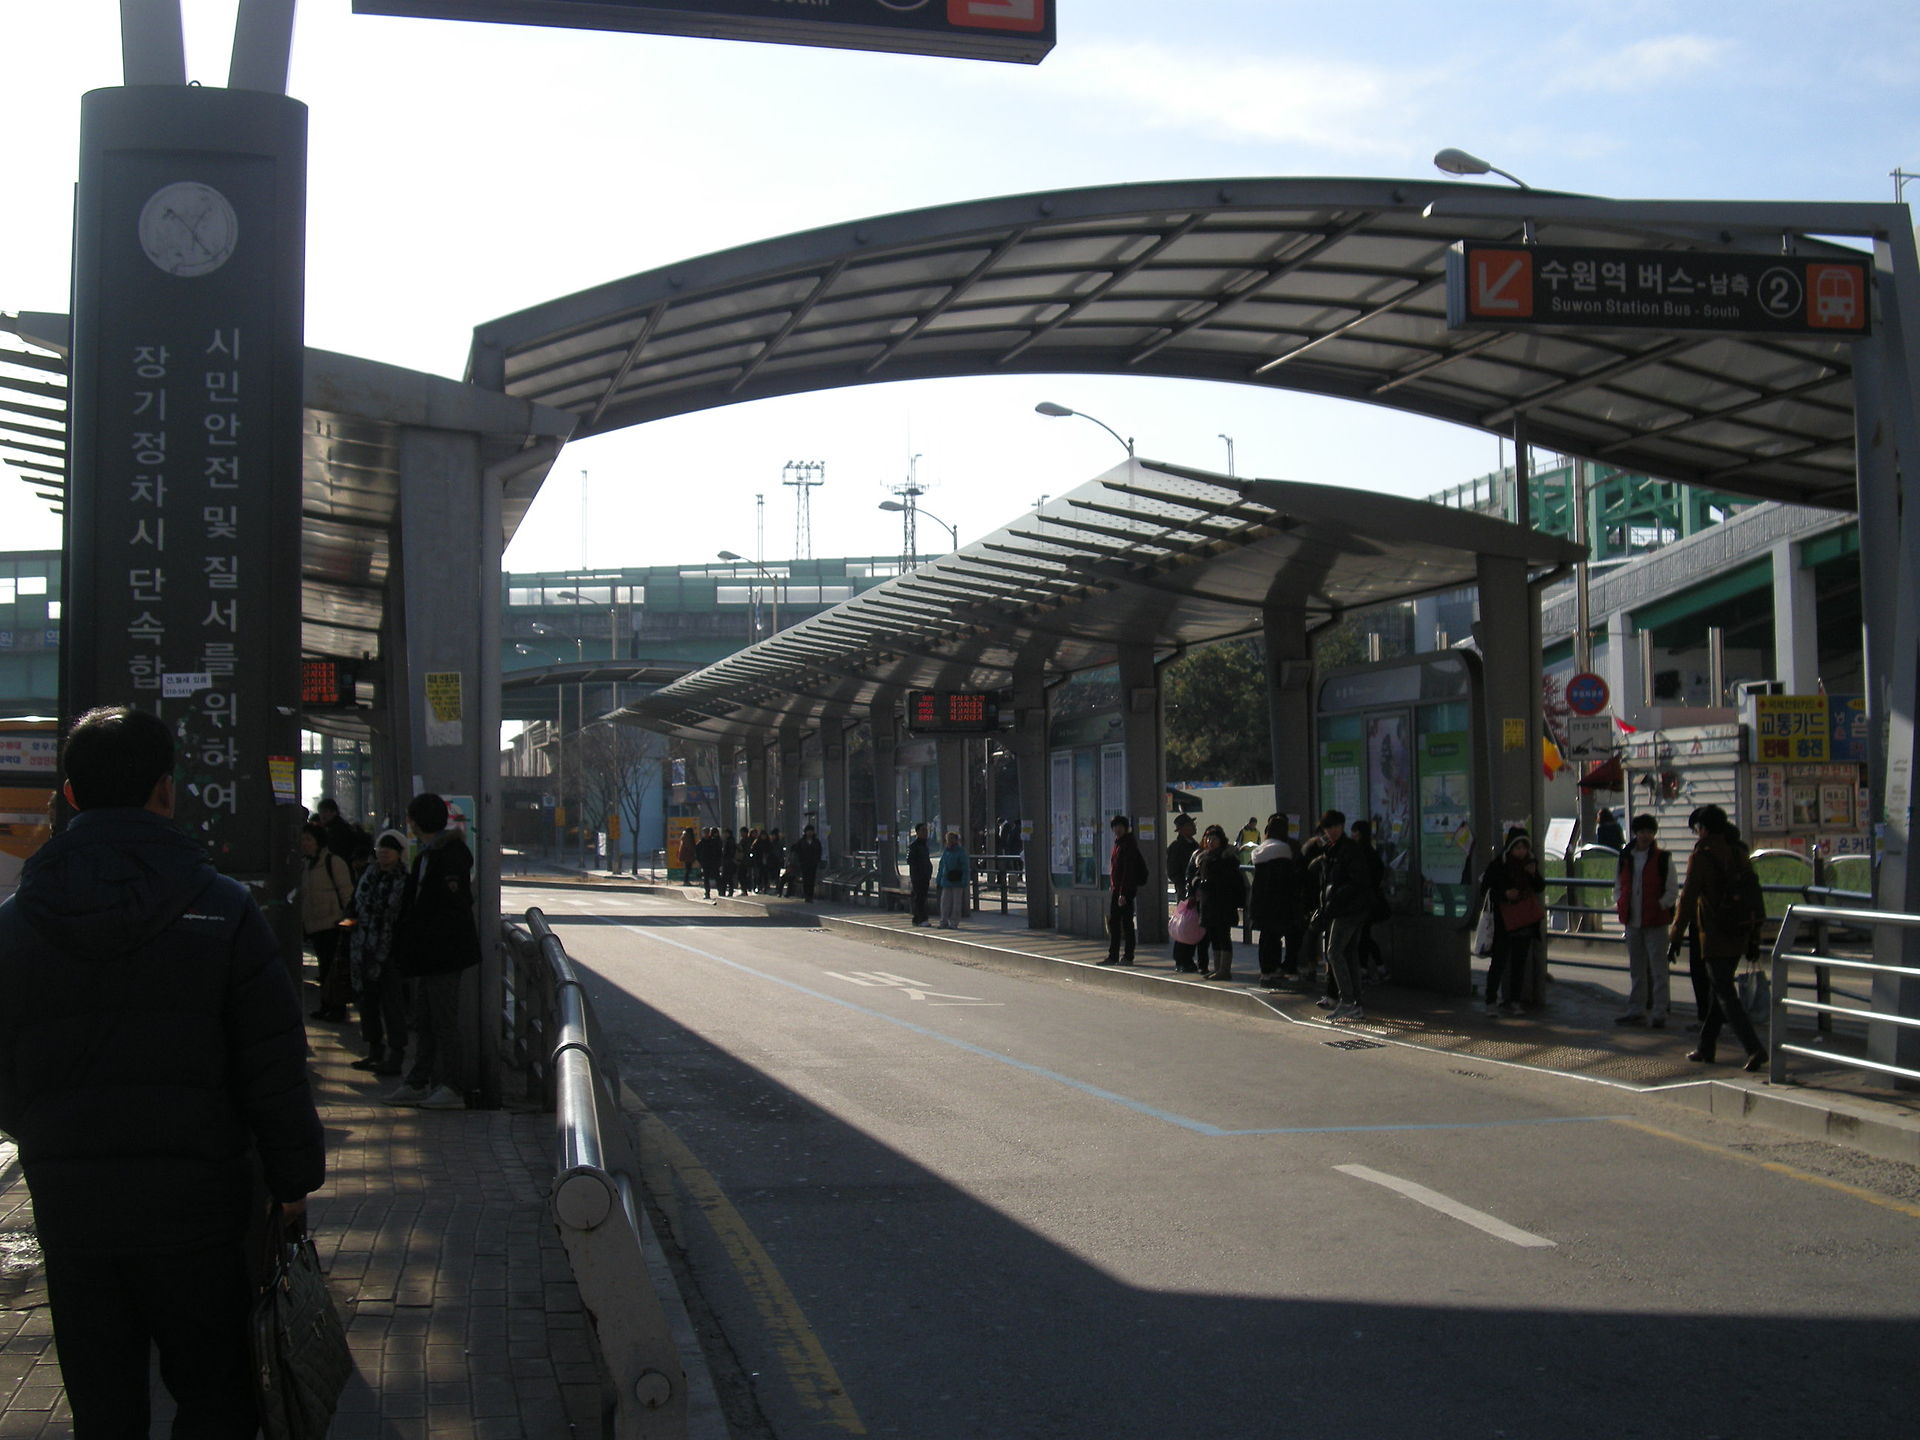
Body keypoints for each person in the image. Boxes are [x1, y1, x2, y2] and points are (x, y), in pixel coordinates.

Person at [0, 705, 324, 1436]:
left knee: (102, 1401)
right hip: (200, 1206)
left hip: (73, 1207)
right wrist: (292, 1179)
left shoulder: (16, 924)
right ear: (166, 791)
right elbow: (272, 1061)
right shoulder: (221, 909)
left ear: (69, 795)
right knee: (215, 1395)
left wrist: (44, 1132)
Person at [385, 792, 480, 1110]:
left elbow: (450, 908)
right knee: (425, 1018)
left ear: (416, 821)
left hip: (444, 953)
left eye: (410, 818)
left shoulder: (448, 855)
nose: (409, 824)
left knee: (443, 1020)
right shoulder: (428, 854)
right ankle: (418, 1081)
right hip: (429, 954)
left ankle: (452, 1086)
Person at [1669, 804, 1769, 1071]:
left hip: (1714, 933)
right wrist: (1754, 937)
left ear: (1704, 829)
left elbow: (1688, 898)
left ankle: (1754, 1048)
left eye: (1698, 828)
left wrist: (1676, 936)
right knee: (1718, 989)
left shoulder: (1702, 855)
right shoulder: (1738, 851)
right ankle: (1706, 1047)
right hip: (1740, 931)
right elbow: (1752, 896)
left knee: (1725, 994)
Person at [347, 828, 412, 1076]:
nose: (384, 852)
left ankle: (396, 1055)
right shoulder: (368, 875)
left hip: (390, 952)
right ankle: (374, 1050)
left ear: (400, 853)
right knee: (367, 1002)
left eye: (390, 848)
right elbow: (354, 905)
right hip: (363, 948)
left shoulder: (405, 880)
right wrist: (348, 924)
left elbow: (404, 918)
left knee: (392, 1004)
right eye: (381, 847)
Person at [1614, 813, 1677, 1027]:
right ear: (1635, 833)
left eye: (1649, 832)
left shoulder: (1663, 858)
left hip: (1656, 920)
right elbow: (1618, 884)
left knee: (1659, 969)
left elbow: (1671, 889)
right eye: (1642, 831)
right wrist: (1621, 902)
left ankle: (1659, 1012)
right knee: (1637, 968)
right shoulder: (1625, 856)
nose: (1645, 836)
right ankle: (1636, 1009)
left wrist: (1661, 905)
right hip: (1632, 919)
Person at [1477, 828, 1546, 1017]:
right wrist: (1505, 894)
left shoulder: (1530, 864)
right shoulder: (1499, 865)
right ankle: (1491, 1000)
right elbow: (1486, 889)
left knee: (1519, 963)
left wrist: (1533, 874)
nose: (1521, 851)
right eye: (1517, 847)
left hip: (1524, 921)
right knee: (1499, 961)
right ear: (1510, 848)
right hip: (1503, 922)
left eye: (1524, 847)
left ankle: (1515, 1001)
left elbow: (1540, 887)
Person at [1314, 810, 1370, 1020]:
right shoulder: (1333, 849)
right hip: (1347, 908)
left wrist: (1335, 897)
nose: (1333, 830)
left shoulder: (1347, 849)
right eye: (1329, 827)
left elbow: (1355, 881)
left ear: (1342, 826)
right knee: (1348, 953)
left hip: (1348, 909)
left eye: (1336, 826)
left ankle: (1347, 1000)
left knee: (1335, 952)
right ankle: (1355, 1003)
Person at [300, 820, 356, 1022]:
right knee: (325, 968)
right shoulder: (306, 865)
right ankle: (327, 1006)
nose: (304, 843)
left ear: (318, 841)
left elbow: (347, 893)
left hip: (333, 923)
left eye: (308, 839)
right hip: (315, 924)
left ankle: (337, 1008)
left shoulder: (333, 862)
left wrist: (348, 920)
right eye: (303, 839)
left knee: (333, 968)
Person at [1247, 817, 1304, 986]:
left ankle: (1267, 971)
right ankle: (1290, 969)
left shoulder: (1260, 851)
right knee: (1291, 936)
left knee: (1267, 938)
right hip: (1284, 901)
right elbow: (1292, 878)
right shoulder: (1287, 849)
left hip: (1261, 901)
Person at [1190, 823, 1247, 981]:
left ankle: (1224, 969)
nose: (1210, 842)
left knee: (1223, 935)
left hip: (1223, 903)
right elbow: (1196, 876)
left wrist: (1209, 883)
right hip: (1208, 903)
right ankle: (1217, 968)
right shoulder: (1203, 858)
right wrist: (1197, 883)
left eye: (1214, 839)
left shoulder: (1227, 858)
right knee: (1214, 935)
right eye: (1208, 838)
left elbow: (1232, 881)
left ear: (1221, 840)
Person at [1100, 814, 1150, 966]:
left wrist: (1122, 893)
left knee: (1126, 924)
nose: (1117, 829)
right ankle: (1114, 955)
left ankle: (1127, 956)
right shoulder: (1119, 844)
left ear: (1126, 828)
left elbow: (1128, 871)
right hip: (1118, 889)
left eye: (1120, 826)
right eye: (1115, 826)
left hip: (1125, 890)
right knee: (1115, 923)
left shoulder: (1128, 845)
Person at [1350, 818, 1390, 986]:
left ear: (1359, 833)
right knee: (1365, 935)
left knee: (1363, 936)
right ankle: (1375, 969)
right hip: (1373, 900)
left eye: (1354, 832)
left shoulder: (1358, 853)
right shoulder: (1372, 852)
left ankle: (1368, 969)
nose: (1352, 835)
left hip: (1362, 901)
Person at [315, 794, 373, 876]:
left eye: (325, 811)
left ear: (334, 812)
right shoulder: (340, 827)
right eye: (320, 812)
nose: (322, 815)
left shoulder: (338, 830)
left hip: (341, 869)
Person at [936, 829, 971, 929]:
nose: (950, 841)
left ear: (956, 840)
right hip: (946, 880)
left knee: (956, 903)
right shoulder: (946, 852)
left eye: (951, 839)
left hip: (957, 880)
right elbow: (941, 866)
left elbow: (965, 868)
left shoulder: (960, 852)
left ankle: (954, 922)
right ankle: (943, 921)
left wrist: (964, 880)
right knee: (944, 903)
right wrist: (939, 879)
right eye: (948, 839)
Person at [1167, 812, 1199, 902]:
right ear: (1181, 829)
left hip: (1197, 887)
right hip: (1184, 890)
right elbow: (1172, 871)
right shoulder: (1176, 847)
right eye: (1190, 825)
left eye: (1194, 824)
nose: (1194, 827)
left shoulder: (1195, 845)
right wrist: (1183, 884)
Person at [906, 821, 933, 925]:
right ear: (917, 832)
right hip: (918, 876)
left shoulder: (924, 845)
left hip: (925, 875)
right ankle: (920, 918)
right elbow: (910, 860)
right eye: (923, 830)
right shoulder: (914, 846)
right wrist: (919, 869)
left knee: (923, 897)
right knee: (919, 897)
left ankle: (919, 918)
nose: (925, 833)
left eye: (926, 830)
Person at [793, 823, 823, 903]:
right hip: (804, 863)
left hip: (813, 863)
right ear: (805, 832)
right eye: (808, 831)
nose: (809, 833)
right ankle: (806, 895)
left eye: (811, 831)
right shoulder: (801, 841)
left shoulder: (816, 841)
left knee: (812, 879)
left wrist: (817, 860)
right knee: (806, 879)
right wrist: (800, 860)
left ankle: (811, 895)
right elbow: (797, 851)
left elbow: (819, 851)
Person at [695, 826, 723, 900]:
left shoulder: (714, 841)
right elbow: (697, 852)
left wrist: (718, 861)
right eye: (704, 833)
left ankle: (720, 892)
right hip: (705, 863)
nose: (706, 834)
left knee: (717, 877)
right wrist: (700, 861)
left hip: (714, 863)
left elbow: (719, 852)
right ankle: (707, 893)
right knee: (706, 878)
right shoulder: (701, 842)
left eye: (707, 832)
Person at [720, 826, 738, 896]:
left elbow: (729, 852)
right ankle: (729, 891)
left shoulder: (729, 841)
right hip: (730, 861)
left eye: (725, 833)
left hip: (728, 862)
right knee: (729, 878)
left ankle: (724, 892)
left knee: (725, 878)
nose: (724, 835)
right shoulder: (731, 840)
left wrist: (725, 856)